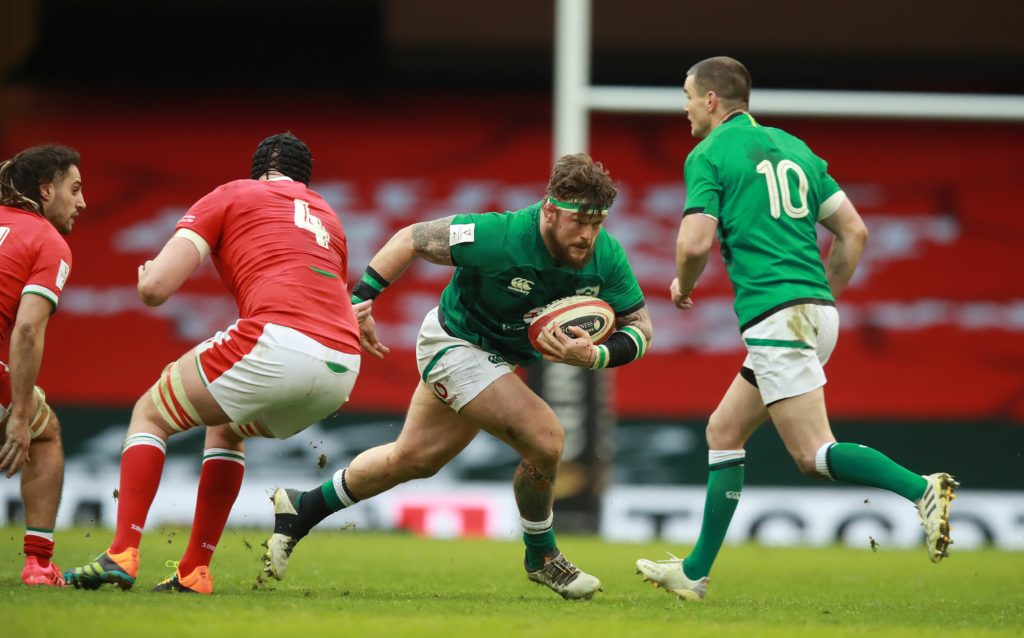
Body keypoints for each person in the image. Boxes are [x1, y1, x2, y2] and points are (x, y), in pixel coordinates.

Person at [635, 56, 957, 601]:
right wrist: (820, 297)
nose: (684, 106)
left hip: (777, 314)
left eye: (688, 95)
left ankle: (921, 487)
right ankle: (693, 573)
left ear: (711, 100)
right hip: (814, 310)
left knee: (813, 455)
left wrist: (683, 286)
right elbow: (853, 233)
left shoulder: (709, 153)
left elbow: (693, 243)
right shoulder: (797, 148)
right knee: (724, 431)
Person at [262, 153, 653, 600]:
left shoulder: (606, 256)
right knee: (546, 439)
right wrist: (361, 300)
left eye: (597, 222)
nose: (587, 234)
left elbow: (641, 328)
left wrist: (598, 355)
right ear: (549, 210)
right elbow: (412, 238)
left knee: (414, 459)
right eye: (578, 220)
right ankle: (542, 556)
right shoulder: (498, 236)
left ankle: (301, 507)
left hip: (496, 358)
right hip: (453, 342)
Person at [64, 132, 362, 595]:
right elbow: (336, 297)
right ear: (306, 179)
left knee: (150, 413)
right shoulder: (329, 218)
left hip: (278, 339)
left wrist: (146, 276)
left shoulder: (233, 193)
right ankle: (194, 570)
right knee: (227, 427)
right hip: (342, 365)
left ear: (257, 170)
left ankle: (122, 552)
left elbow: (156, 290)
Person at [0, 145, 85, 587]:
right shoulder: (47, 242)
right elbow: (28, 330)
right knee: (43, 432)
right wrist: (17, 415)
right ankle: (38, 564)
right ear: (46, 191)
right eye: (74, 189)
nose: (82, 202)